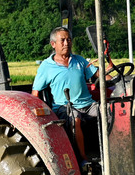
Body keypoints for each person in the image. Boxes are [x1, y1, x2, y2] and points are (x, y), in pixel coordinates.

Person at [31, 26, 99, 161]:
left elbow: (100, 75)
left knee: (112, 112)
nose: (67, 43)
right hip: (65, 107)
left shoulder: (79, 60)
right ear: (53, 44)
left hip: (88, 104)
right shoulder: (46, 66)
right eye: (62, 40)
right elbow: (35, 92)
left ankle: (111, 152)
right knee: (75, 119)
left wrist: (109, 71)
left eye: (69, 40)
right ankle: (83, 159)